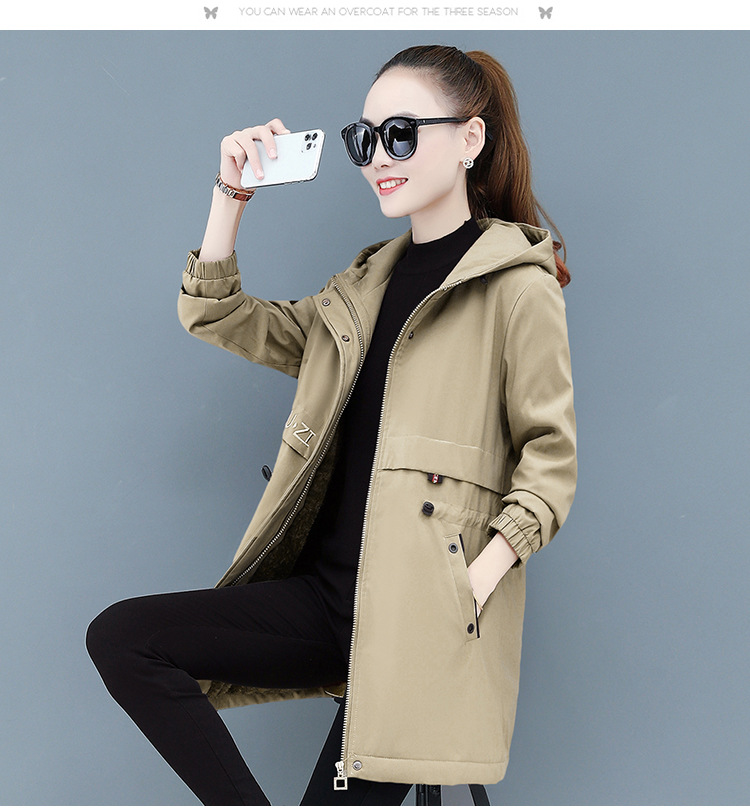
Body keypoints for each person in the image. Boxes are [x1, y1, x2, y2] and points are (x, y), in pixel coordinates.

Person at [86, 44, 577, 806]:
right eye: (364, 138)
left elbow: (550, 464)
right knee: (125, 638)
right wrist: (231, 194)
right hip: (324, 605)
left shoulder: (517, 287)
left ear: (470, 139)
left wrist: (465, 589)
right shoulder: (361, 287)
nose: (378, 156)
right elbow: (216, 314)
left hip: (418, 626)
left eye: (401, 134)